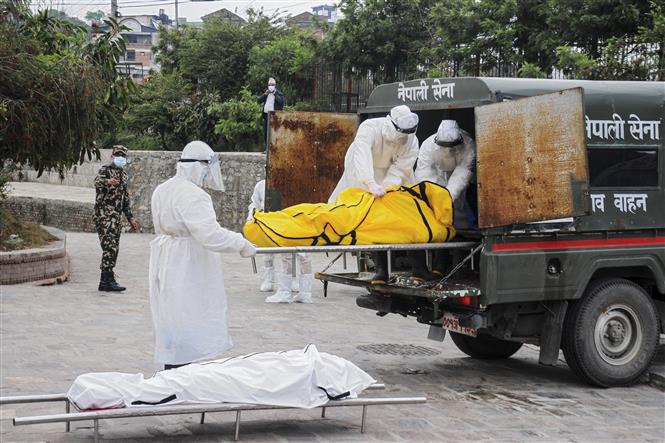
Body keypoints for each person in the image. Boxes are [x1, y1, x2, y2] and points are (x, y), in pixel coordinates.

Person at [150, 140, 257, 370]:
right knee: (191, 314)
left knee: (173, 315)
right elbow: (210, 235)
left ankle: (174, 367)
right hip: (188, 264)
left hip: (167, 260)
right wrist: (241, 243)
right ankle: (184, 374)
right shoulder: (193, 195)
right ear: (199, 167)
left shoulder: (163, 189)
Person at [328, 105, 419, 284]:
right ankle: (381, 270)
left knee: (411, 214)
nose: (404, 137)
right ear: (390, 123)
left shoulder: (411, 140)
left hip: (393, 176)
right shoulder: (370, 128)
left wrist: (387, 186)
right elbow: (362, 156)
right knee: (372, 219)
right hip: (361, 172)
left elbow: (402, 167)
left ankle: (419, 268)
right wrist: (370, 182)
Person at [411, 119, 476, 279]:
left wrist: (447, 198)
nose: (448, 150)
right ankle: (438, 266)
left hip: (457, 183)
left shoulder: (469, 146)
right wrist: (435, 199)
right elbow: (424, 174)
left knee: (458, 221)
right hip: (438, 177)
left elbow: (463, 173)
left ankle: (458, 266)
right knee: (436, 222)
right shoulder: (427, 146)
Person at [247, 179, 314, 303]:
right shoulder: (262, 185)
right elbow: (254, 204)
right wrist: (252, 218)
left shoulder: (298, 182)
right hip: (271, 221)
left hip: (293, 221)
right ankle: (270, 280)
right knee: (270, 254)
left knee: (300, 254)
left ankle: (294, 291)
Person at [94, 145, 139, 292]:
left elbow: (125, 200)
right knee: (109, 247)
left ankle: (108, 279)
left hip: (116, 218)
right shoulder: (105, 170)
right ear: (112, 156)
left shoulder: (124, 175)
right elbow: (96, 181)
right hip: (104, 216)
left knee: (114, 249)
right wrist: (108, 182)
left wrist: (131, 219)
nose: (120, 157)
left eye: (122, 155)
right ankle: (105, 280)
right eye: (117, 155)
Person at [257, 77, 285, 144]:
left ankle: (274, 148)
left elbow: (281, 103)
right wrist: (264, 95)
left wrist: (275, 94)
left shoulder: (279, 93)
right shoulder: (266, 93)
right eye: (269, 84)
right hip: (266, 115)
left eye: (272, 84)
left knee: (274, 132)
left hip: (275, 115)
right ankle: (266, 149)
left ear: (275, 85)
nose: (271, 86)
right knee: (266, 132)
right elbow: (259, 100)